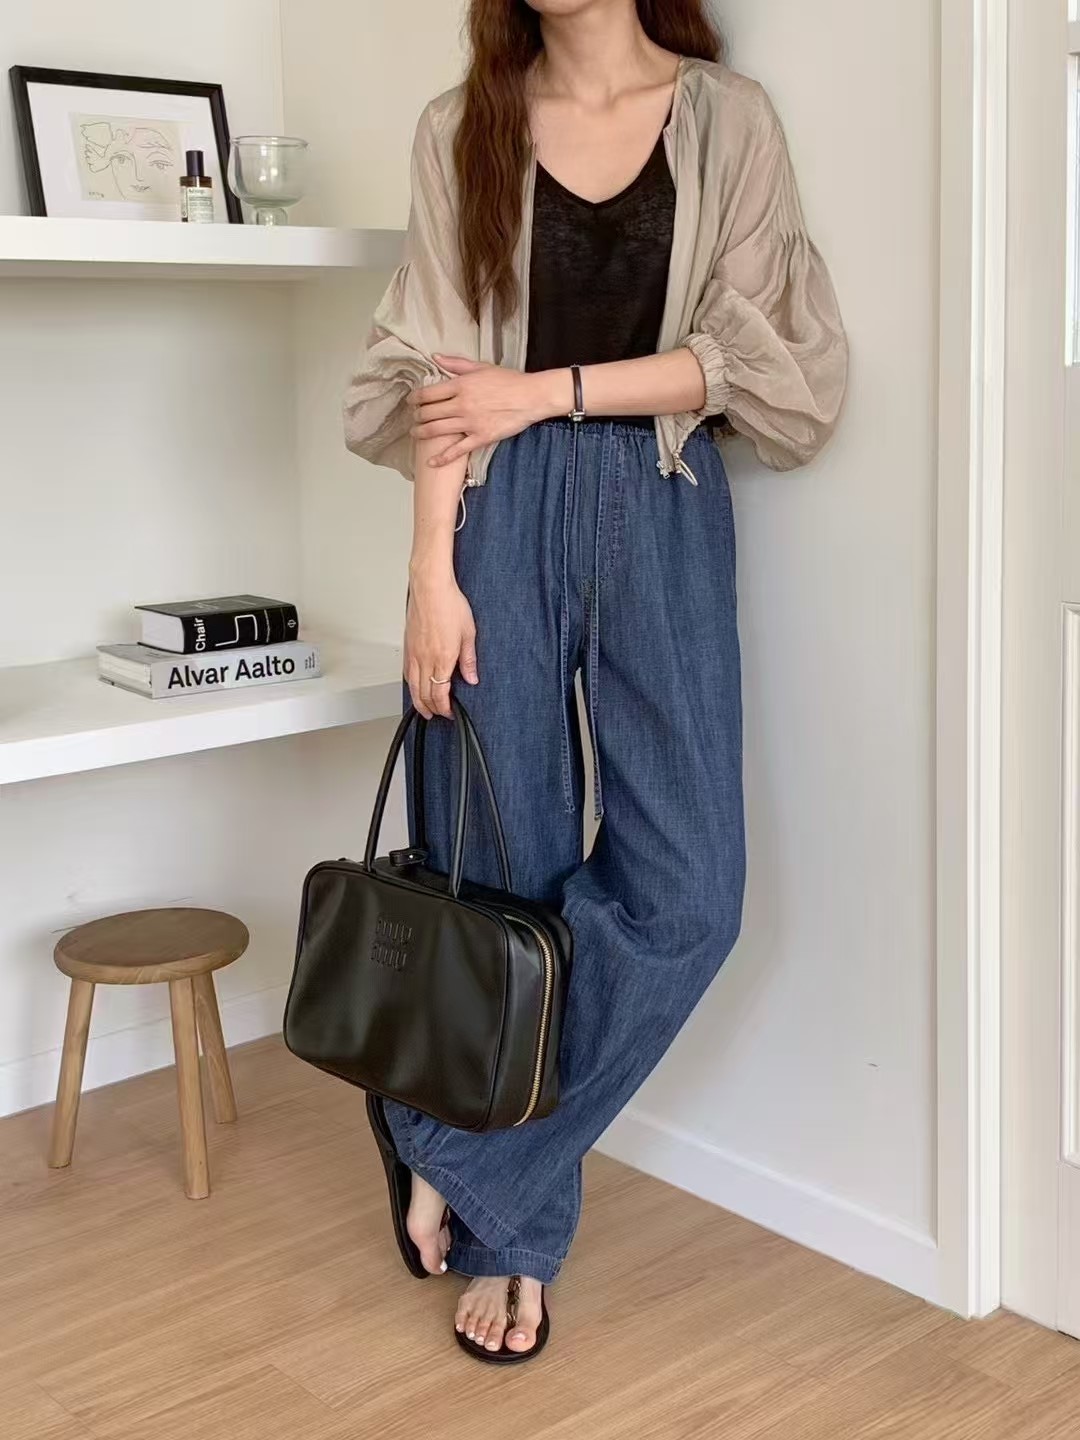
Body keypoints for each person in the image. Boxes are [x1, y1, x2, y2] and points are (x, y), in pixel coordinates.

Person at [343, 0, 847, 1364]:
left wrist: (546, 390)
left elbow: (755, 354)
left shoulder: (726, 121)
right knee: (495, 871)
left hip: (662, 502)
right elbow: (438, 375)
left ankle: (458, 1152)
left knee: (690, 891)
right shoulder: (463, 127)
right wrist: (429, 575)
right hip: (492, 517)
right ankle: (516, 1241)